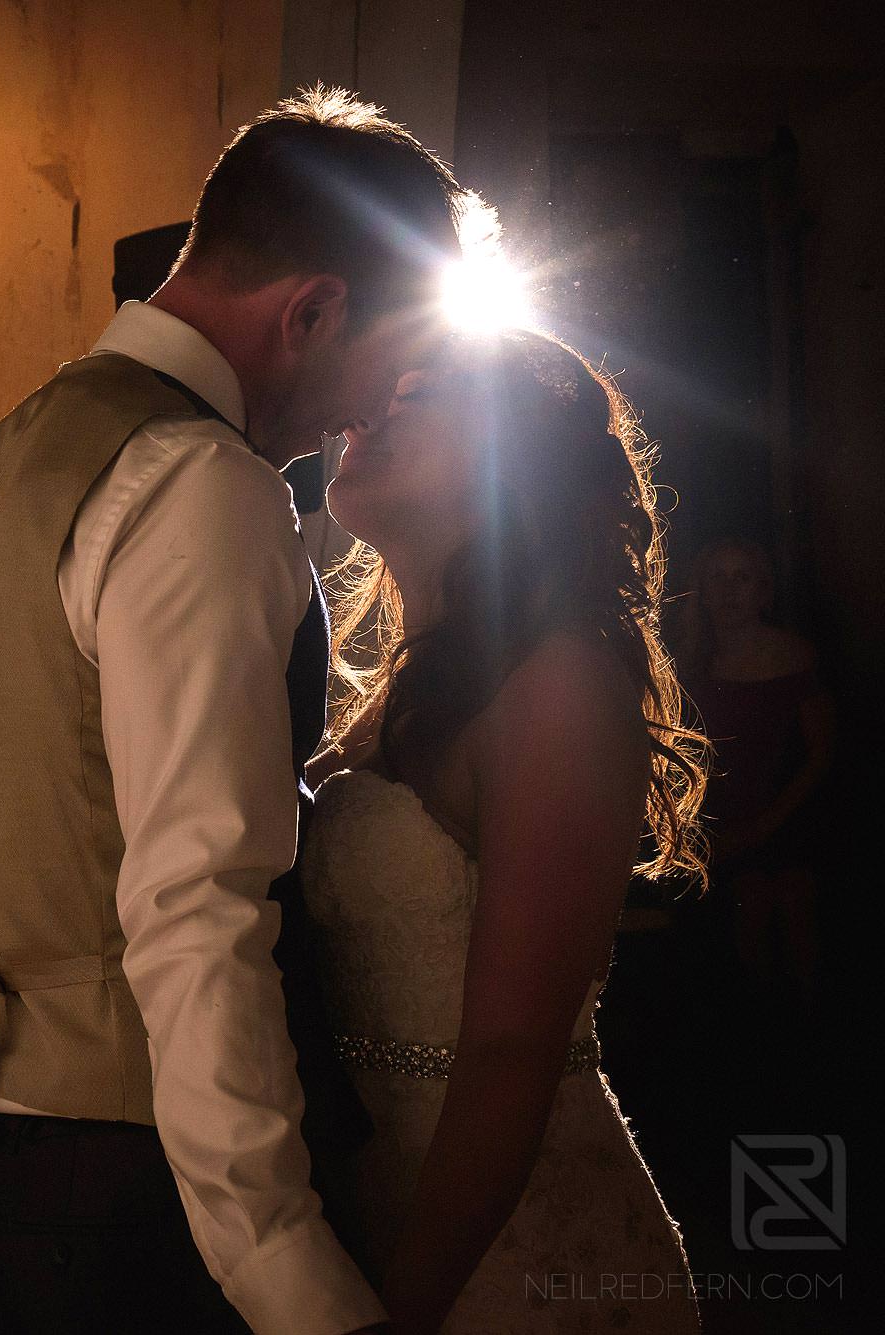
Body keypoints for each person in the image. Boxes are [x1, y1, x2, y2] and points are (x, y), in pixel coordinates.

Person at [0, 88, 468, 1335]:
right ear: (310, 311)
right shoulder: (200, 486)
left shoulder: (8, 453)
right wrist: (293, 1278)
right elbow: (194, 913)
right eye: (373, 378)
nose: (354, 422)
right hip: (144, 1184)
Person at [305, 328, 708, 1332]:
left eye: (417, 396)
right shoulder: (403, 683)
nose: (363, 415)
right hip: (374, 1205)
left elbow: (511, 1052)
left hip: (508, 1252)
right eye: (372, 396)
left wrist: (405, 1311)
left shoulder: (555, 686)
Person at [682, 537, 834, 1017]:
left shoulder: (794, 656)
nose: (729, 591)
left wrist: (769, 822)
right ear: (703, 592)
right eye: (718, 579)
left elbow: (821, 752)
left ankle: (808, 1032)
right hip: (713, 821)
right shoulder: (689, 661)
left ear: (764, 591)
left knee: (788, 905)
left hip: (786, 810)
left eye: (741, 578)